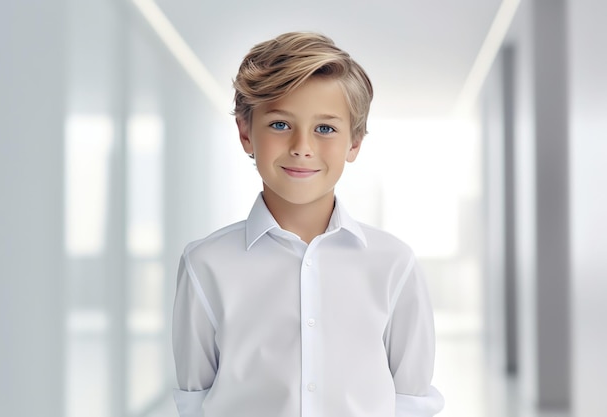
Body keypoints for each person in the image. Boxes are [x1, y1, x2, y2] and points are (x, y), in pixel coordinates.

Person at [172, 31, 444, 417]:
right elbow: (194, 401)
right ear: (246, 133)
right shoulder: (205, 263)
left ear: (354, 143)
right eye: (280, 125)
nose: (302, 146)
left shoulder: (393, 263)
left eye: (326, 128)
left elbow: (412, 401)